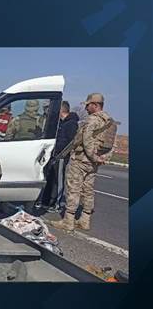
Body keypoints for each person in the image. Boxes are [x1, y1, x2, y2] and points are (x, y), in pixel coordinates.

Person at [49, 93, 114, 231]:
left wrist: (93, 157)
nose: (86, 108)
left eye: (88, 105)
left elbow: (87, 141)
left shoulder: (92, 120)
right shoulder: (109, 121)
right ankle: (85, 220)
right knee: (88, 190)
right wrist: (102, 158)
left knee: (73, 189)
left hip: (81, 160)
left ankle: (68, 221)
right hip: (93, 163)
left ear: (95, 105)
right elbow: (111, 143)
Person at [39, 101, 79, 212]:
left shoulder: (71, 124)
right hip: (54, 155)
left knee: (58, 180)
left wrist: (62, 154)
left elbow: (70, 142)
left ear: (61, 110)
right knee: (51, 178)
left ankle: (55, 203)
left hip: (61, 156)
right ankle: (46, 202)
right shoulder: (61, 123)